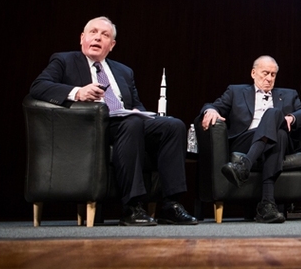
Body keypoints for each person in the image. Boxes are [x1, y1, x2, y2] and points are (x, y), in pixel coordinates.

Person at [30, 17, 197, 226]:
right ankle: (132, 207)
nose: (98, 37)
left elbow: (136, 104)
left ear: (112, 45)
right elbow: (38, 87)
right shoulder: (64, 61)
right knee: (133, 123)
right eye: (93, 32)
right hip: (92, 128)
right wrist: (77, 92)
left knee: (173, 126)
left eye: (105, 35)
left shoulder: (123, 71)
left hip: (126, 122)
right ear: (82, 38)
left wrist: (139, 111)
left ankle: (170, 205)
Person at [199, 55, 301, 223]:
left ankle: (244, 166)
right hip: (246, 139)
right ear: (253, 73)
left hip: (278, 142)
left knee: (277, 122)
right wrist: (210, 111)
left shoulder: (288, 95)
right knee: (278, 132)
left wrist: (291, 118)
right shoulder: (235, 91)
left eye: (273, 75)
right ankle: (266, 205)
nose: (269, 78)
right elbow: (213, 105)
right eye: (265, 73)